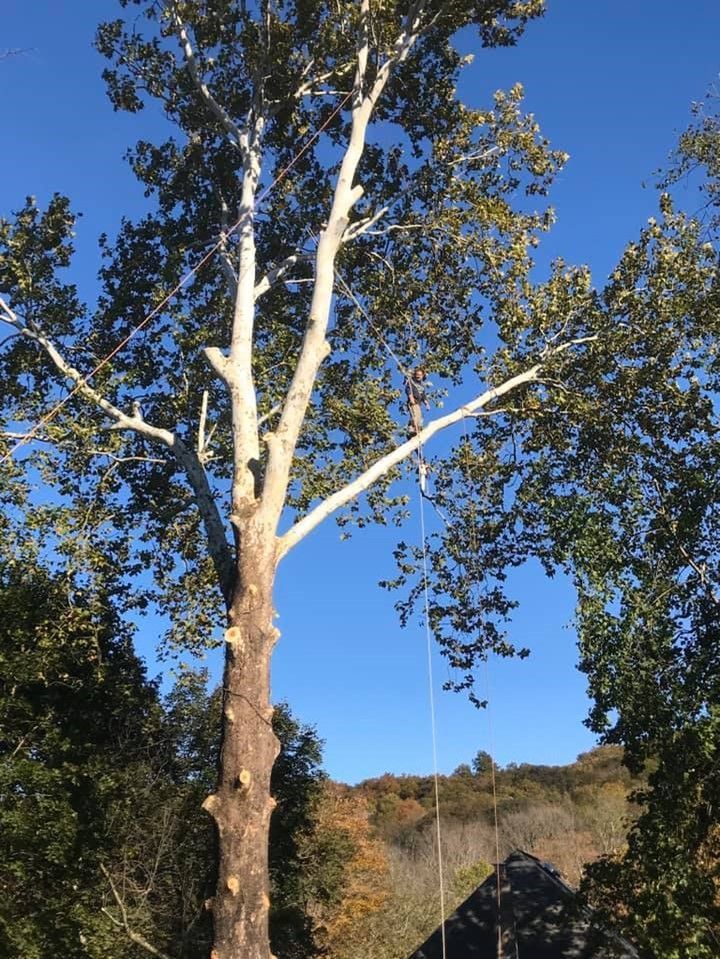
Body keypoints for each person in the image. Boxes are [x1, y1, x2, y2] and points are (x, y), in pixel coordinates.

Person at [405, 367, 429, 435]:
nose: (418, 376)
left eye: (420, 375)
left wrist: (427, 404)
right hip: (413, 401)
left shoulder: (421, 386)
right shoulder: (411, 382)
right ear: (415, 375)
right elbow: (408, 389)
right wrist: (411, 397)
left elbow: (423, 396)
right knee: (415, 415)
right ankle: (411, 427)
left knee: (419, 416)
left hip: (418, 403)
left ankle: (417, 428)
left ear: (422, 376)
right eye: (417, 374)